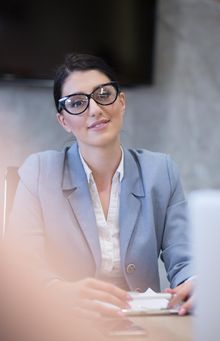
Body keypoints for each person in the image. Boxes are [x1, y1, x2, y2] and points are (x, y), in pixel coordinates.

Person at [8, 53, 194, 317]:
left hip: (145, 323)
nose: (95, 109)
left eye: (104, 95)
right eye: (76, 103)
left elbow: (185, 258)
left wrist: (194, 282)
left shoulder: (160, 171)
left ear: (121, 102)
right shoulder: (39, 172)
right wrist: (58, 291)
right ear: (64, 121)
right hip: (66, 324)